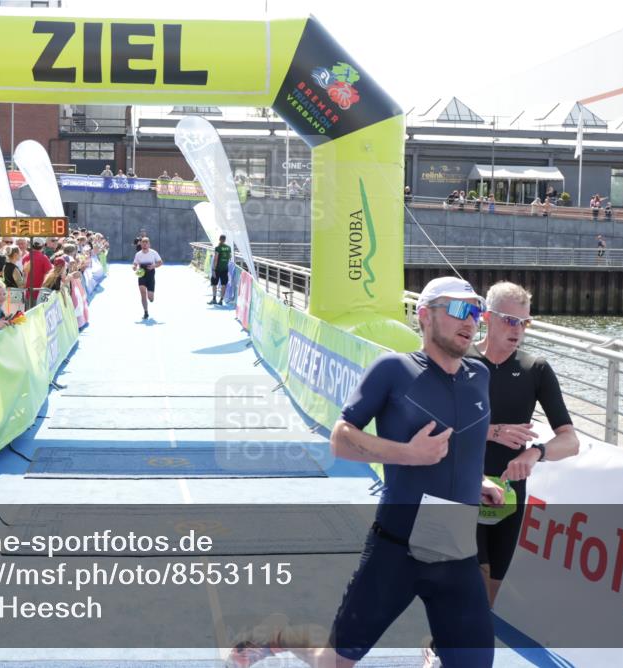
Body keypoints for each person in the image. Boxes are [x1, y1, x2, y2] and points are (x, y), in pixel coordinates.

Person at [228, 277, 503, 668]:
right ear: (424, 316)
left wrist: (477, 480)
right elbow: (340, 440)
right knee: (335, 664)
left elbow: (460, 445)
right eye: (459, 310)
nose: (471, 320)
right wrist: (407, 454)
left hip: (456, 552)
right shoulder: (394, 369)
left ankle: (435, 649)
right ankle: (284, 636)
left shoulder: (480, 376)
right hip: (396, 550)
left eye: (476, 311)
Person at [469, 282, 579, 605]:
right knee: (473, 584)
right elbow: (439, 427)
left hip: (510, 497)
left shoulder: (536, 370)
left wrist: (536, 453)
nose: (517, 330)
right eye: (509, 320)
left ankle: (444, 642)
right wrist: (490, 432)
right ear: (487, 317)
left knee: (488, 597)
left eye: (524, 322)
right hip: (463, 488)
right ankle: (440, 647)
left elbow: (570, 441)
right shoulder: (462, 362)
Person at [132, 236, 162, 320]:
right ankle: (146, 312)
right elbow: (135, 263)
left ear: (149, 244)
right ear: (141, 244)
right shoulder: (138, 254)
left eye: (146, 243)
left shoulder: (153, 253)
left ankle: (151, 297)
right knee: (143, 293)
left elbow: (160, 262)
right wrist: (134, 267)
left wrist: (153, 266)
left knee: (150, 297)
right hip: (141, 274)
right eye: (143, 243)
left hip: (150, 274)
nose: (145, 245)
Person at [23, 238, 52, 302]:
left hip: (27, 291)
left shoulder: (25, 257)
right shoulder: (44, 258)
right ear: (43, 246)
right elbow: (49, 273)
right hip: (39, 292)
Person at [209, 234, 232, 305]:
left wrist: (213, 269)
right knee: (223, 284)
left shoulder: (218, 248)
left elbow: (215, 259)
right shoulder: (228, 248)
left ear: (219, 239)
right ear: (225, 240)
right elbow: (229, 257)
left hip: (217, 269)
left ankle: (214, 299)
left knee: (214, 284)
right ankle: (221, 300)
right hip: (225, 268)